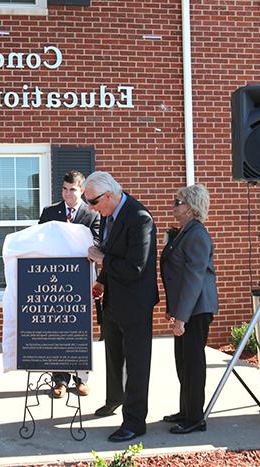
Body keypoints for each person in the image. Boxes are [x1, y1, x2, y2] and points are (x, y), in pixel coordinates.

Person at [85, 171, 158, 443]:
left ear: (109, 195)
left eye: (93, 202)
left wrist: (101, 259)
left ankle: (135, 421)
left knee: (137, 363)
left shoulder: (140, 218)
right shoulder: (107, 215)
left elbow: (136, 266)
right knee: (113, 354)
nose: (91, 208)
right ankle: (114, 399)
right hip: (114, 298)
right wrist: (102, 281)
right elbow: (115, 253)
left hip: (136, 304)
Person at [160, 184, 218, 434]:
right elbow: (177, 274)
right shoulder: (185, 231)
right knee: (183, 363)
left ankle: (195, 418)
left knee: (193, 365)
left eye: (178, 202)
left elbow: (194, 278)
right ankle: (186, 410)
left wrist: (181, 318)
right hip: (185, 308)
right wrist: (173, 309)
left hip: (196, 309)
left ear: (191, 208)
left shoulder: (197, 235)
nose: (174, 205)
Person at [38, 170, 100, 399]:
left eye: (72, 189)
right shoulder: (50, 212)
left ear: (82, 190)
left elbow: (97, 242)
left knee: (81, 328)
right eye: (64, 189)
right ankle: (59, 378)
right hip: (55, 280)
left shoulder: (92, 213)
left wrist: (72, 237)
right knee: (58, 328)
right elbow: (40, 239)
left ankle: (81, 379)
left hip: (81, 279)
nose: (67, 194)